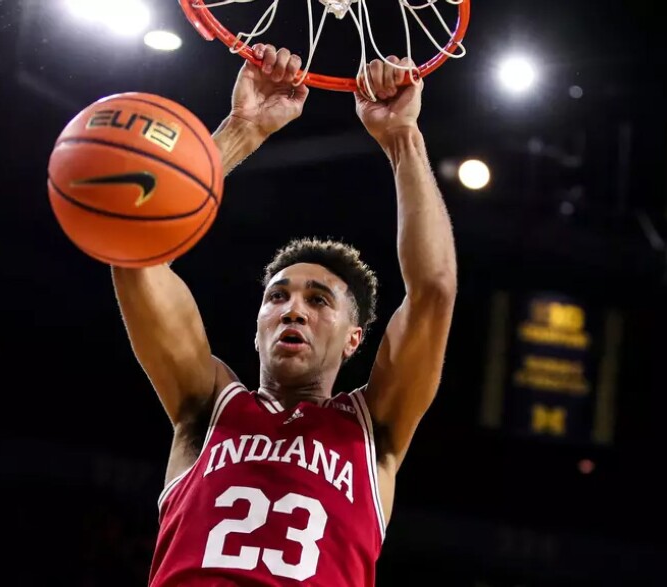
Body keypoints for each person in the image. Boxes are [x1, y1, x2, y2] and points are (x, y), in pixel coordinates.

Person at [113, 44, 457, 587]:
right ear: (256, 327)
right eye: (277, 297)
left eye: (319, 300)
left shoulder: (375, 431)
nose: (292, 308)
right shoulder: (206, 406)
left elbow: (434, 289)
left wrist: (401, 139)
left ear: (353, 339)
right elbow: (136, 256)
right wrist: (242, 129)